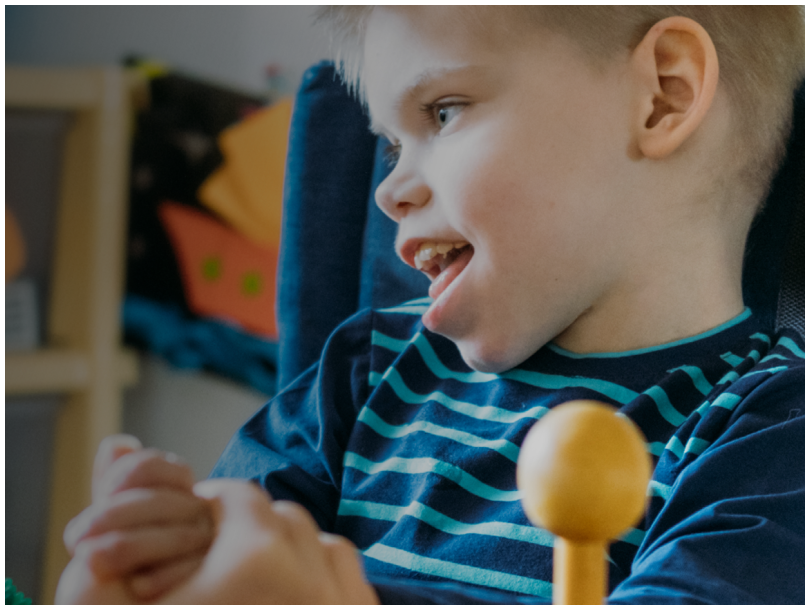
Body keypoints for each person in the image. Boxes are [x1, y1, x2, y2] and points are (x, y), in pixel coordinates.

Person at [57, 5, 805, 605]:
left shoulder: (772, 434)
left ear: (662, 95)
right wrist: (159, 566)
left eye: (443, 112)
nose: (388, 192)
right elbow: (239, 558)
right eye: (389, 145)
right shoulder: (362, 374)